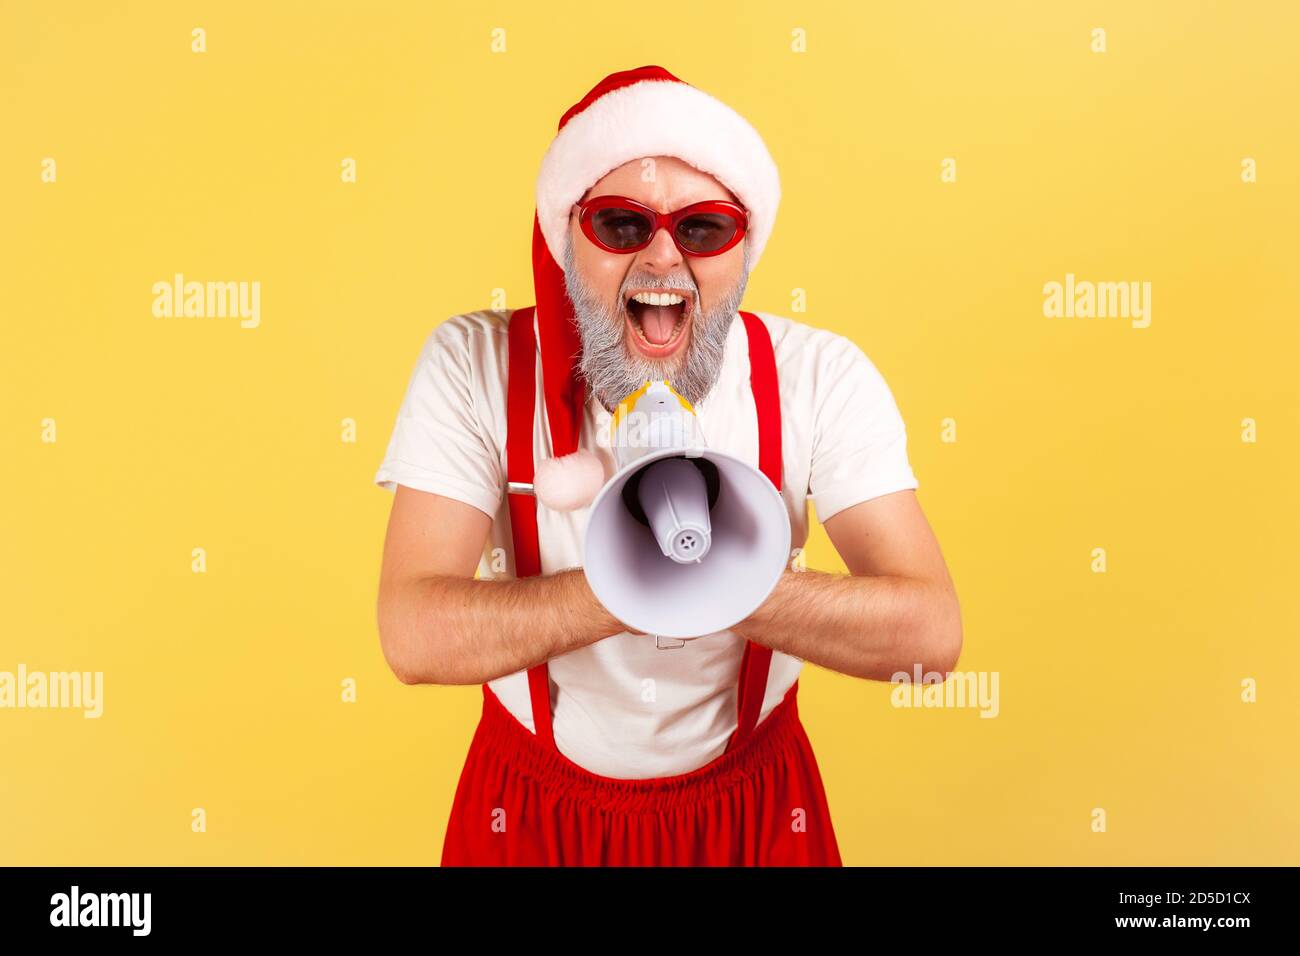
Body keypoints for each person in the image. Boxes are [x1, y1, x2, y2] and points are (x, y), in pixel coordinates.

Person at [374, 66, 961, 866]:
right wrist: (622, 585)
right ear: (565, 237)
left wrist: (722, 579)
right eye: (620, 225)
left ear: (743, 244)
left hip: (753, 813)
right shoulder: (472, 363)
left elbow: (928, 636)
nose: (661, 258)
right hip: (530, 816)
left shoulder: (820, 375)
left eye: (702, 228)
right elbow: (411, 636)